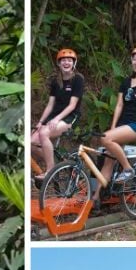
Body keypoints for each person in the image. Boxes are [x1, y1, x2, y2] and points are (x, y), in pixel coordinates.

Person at [97, 45, 136, 192]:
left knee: (105, 138)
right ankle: (96, 198)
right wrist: (113, 127)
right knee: (108, 162)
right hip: (122, 125)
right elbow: (119, 105)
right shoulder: (126, 82)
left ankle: (127, 168)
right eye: (134, 59)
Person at [32, 48, 85, 177]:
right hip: (54, 116)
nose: (66, 63)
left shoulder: (78, 79)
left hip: (69, 117)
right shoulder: (56, 81)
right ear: (59, 63)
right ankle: (58, 166)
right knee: (30, 142)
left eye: (69, 60)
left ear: (74, 63)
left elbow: (72, 105)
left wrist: (56, 119)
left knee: (44, 133)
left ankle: (50, 171)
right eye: (63, 61)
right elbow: (50, 105)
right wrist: (40, 122)